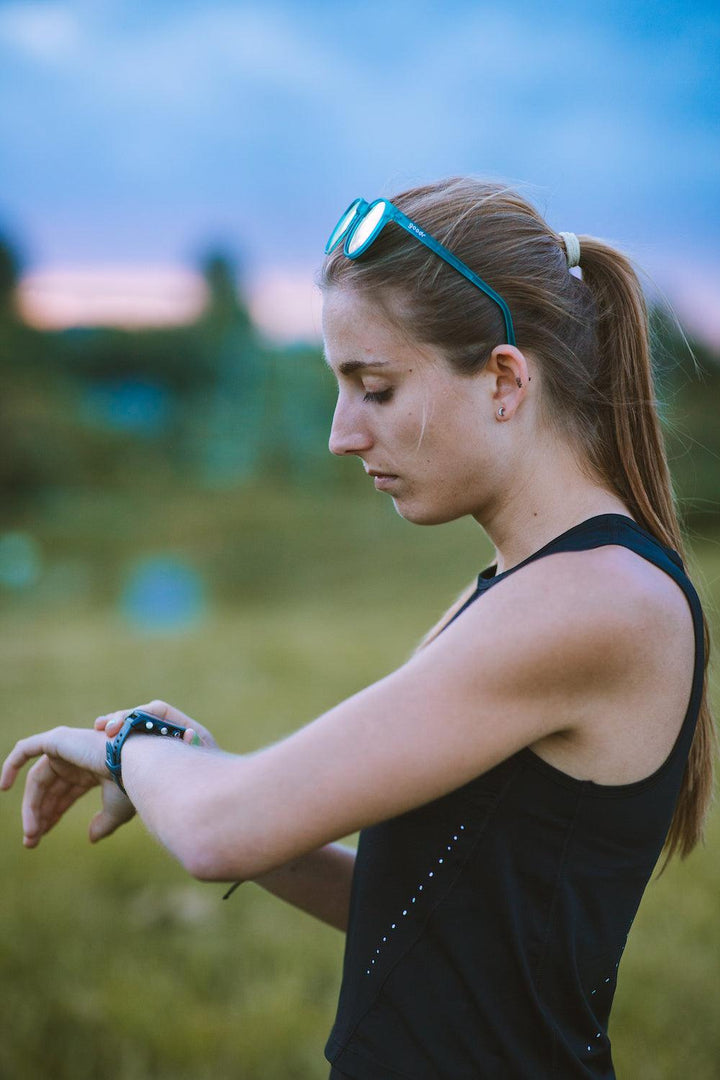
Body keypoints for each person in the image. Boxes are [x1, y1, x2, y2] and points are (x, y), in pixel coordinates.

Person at [1, 177, 715, 1079]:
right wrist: (200, 775)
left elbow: (220, 832)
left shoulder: (595, 602)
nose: (342, 434)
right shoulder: (520, 585)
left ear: (503, 378)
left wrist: (131, 750)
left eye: (372, 387)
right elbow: (415, 909)